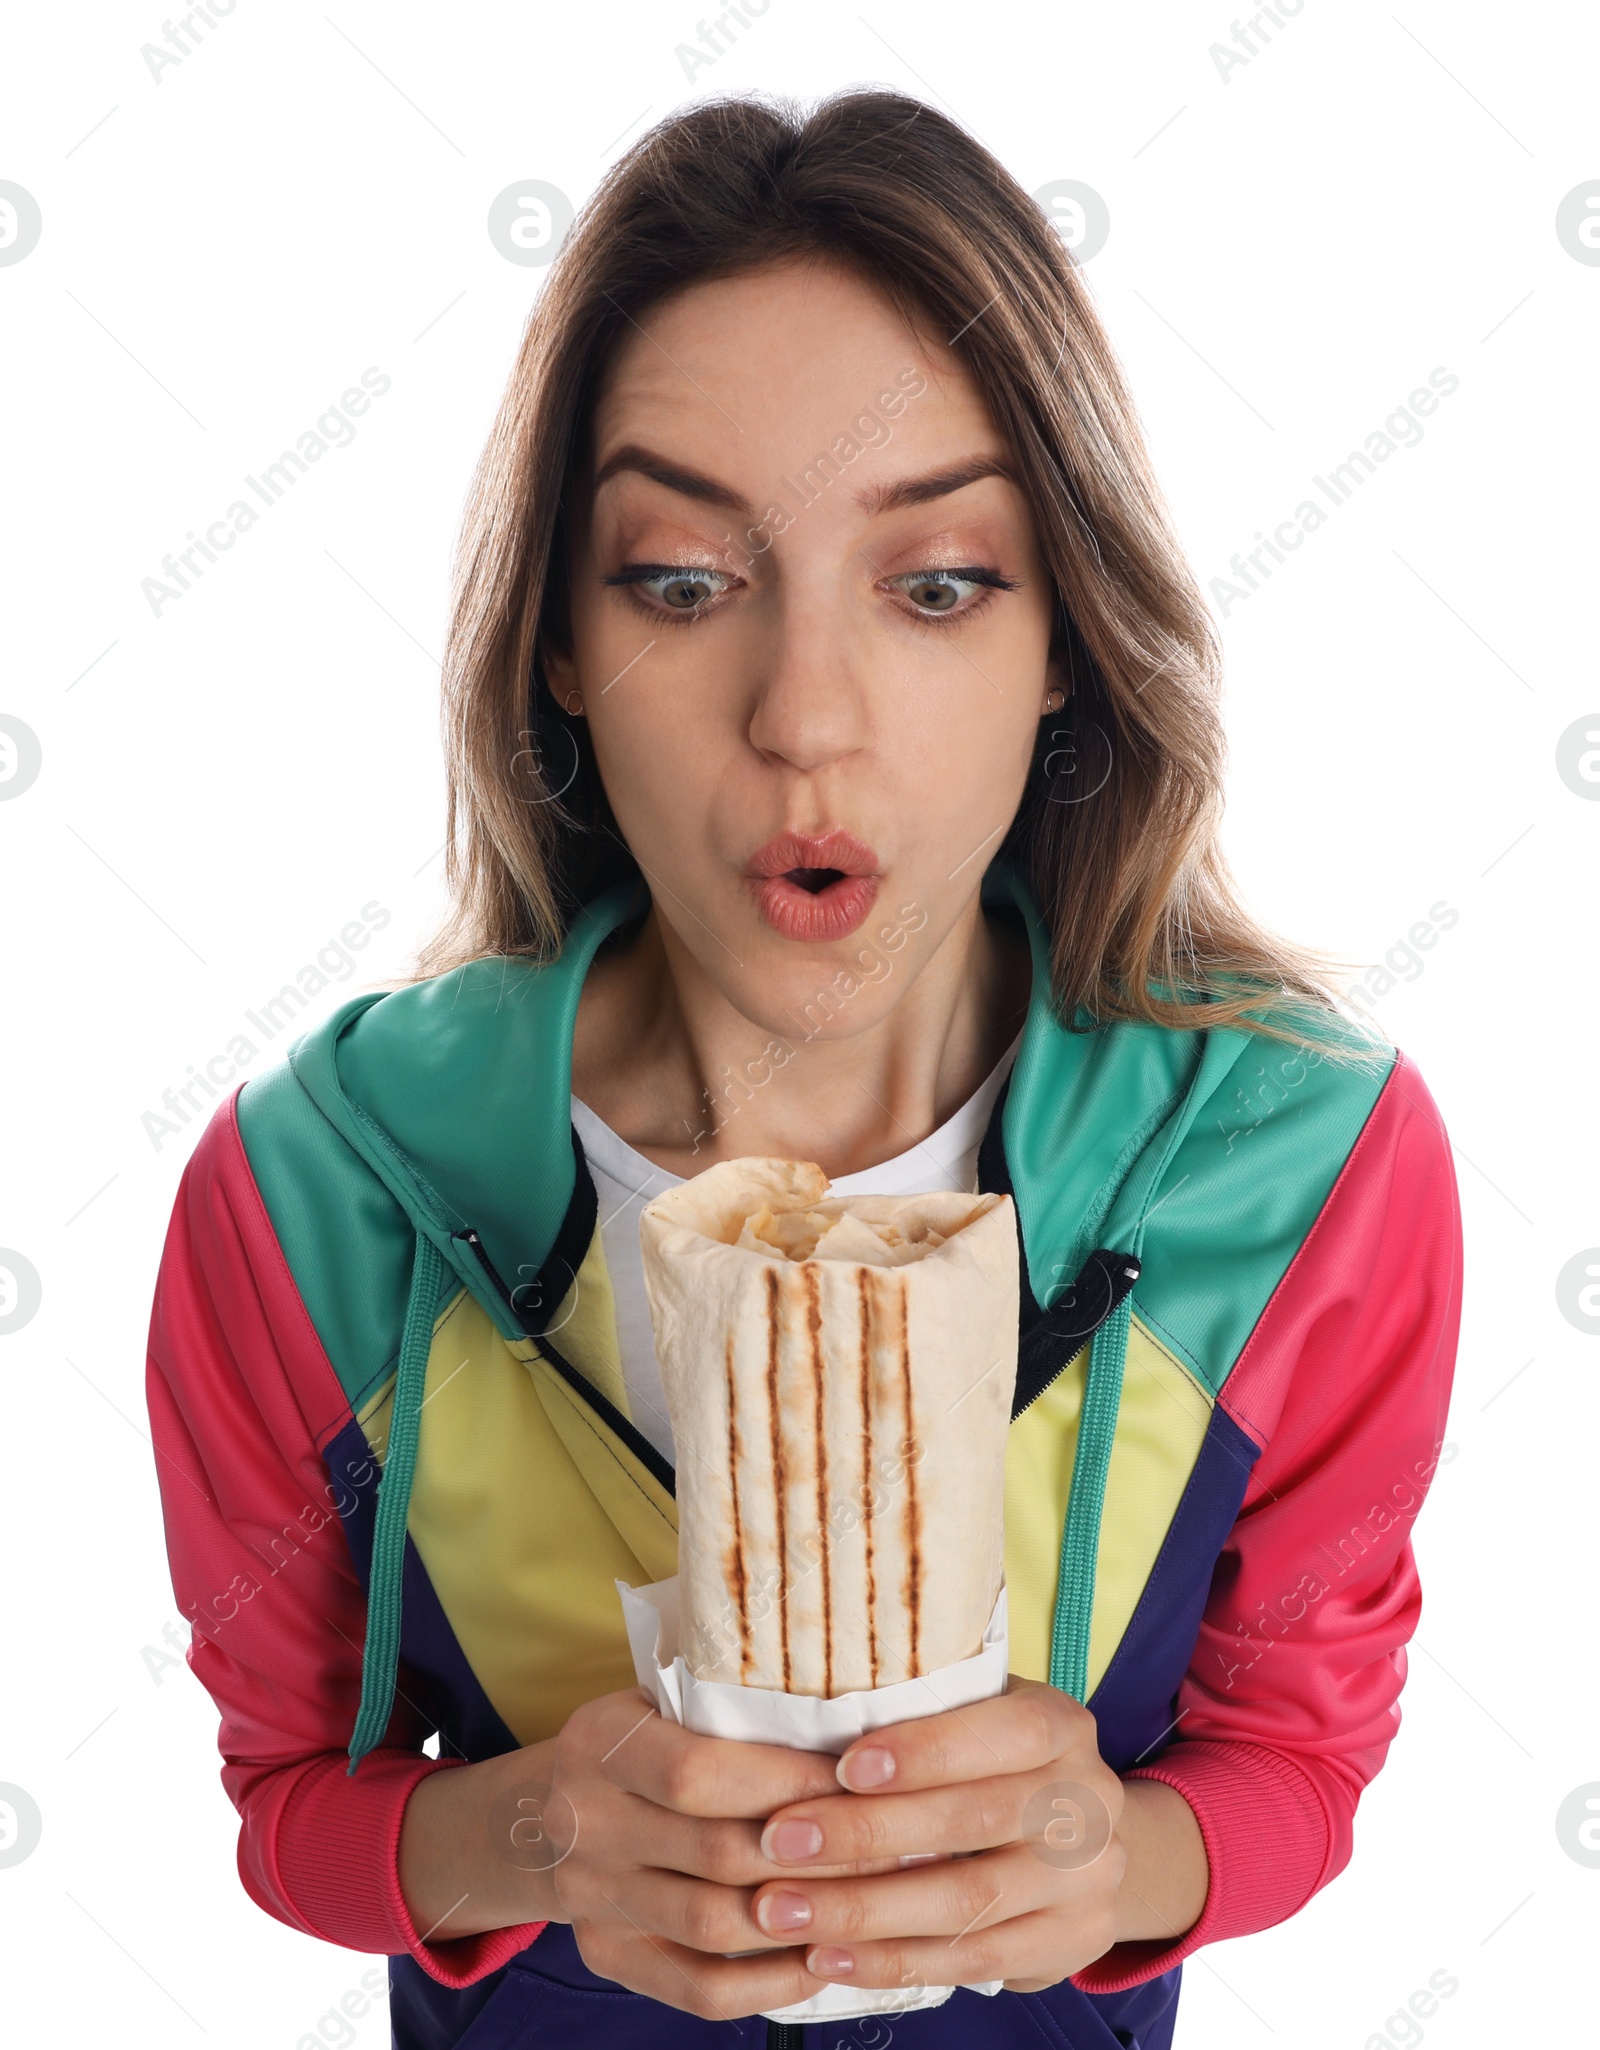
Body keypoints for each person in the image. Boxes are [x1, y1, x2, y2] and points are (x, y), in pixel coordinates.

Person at [144, 88, 1463, 2050]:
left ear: (1060, 645)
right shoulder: (309, 1197)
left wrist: (1108, 1859)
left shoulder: (1304, 1174)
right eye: (681, 579)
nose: (804, 716)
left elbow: (1298, 1763)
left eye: (934, 583)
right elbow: (286, 1806)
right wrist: (533, 1835)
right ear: (562, 646)